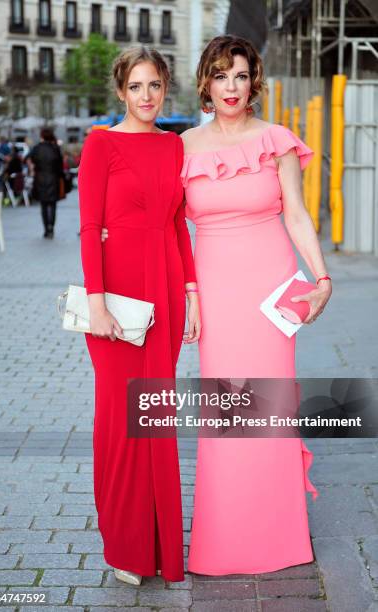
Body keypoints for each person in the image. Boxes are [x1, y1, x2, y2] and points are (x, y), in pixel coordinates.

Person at [178, 35, 332, 575]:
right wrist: (187, 296)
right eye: (221, 76)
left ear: (254, 81)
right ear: (206, 82)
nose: (231, 87)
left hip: (270, 290)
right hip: (215, 289)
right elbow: (171, 229)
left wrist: (322, 276)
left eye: (240, 76)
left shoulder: (277, 140)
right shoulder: (184, 147)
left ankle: (279, 536)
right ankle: (224, 539)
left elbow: (297, 216)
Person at [77, 46, 201, 586]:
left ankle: (159, 549)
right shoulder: (100, 143)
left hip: (167, 289)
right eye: (136, 87)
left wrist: (192, 293)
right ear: (120, 90)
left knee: (152, 419)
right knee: (119, 422)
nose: (146, 97)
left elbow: (178, 226)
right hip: (118, 299)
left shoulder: (174, 147)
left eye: (154, 86)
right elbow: (88, 228)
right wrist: (97, 302)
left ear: (165, 87)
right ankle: (126, 547)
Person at [27, 128, 64, 238]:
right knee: (53, 205)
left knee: (43, 205)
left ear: (42, 136)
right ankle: (51, 227)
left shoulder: (37, 148)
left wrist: (33, 169)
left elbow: (29, 159)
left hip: (40, 178)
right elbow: (60, 165)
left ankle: (46, 229)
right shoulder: (55, 148)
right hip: (53, 178)